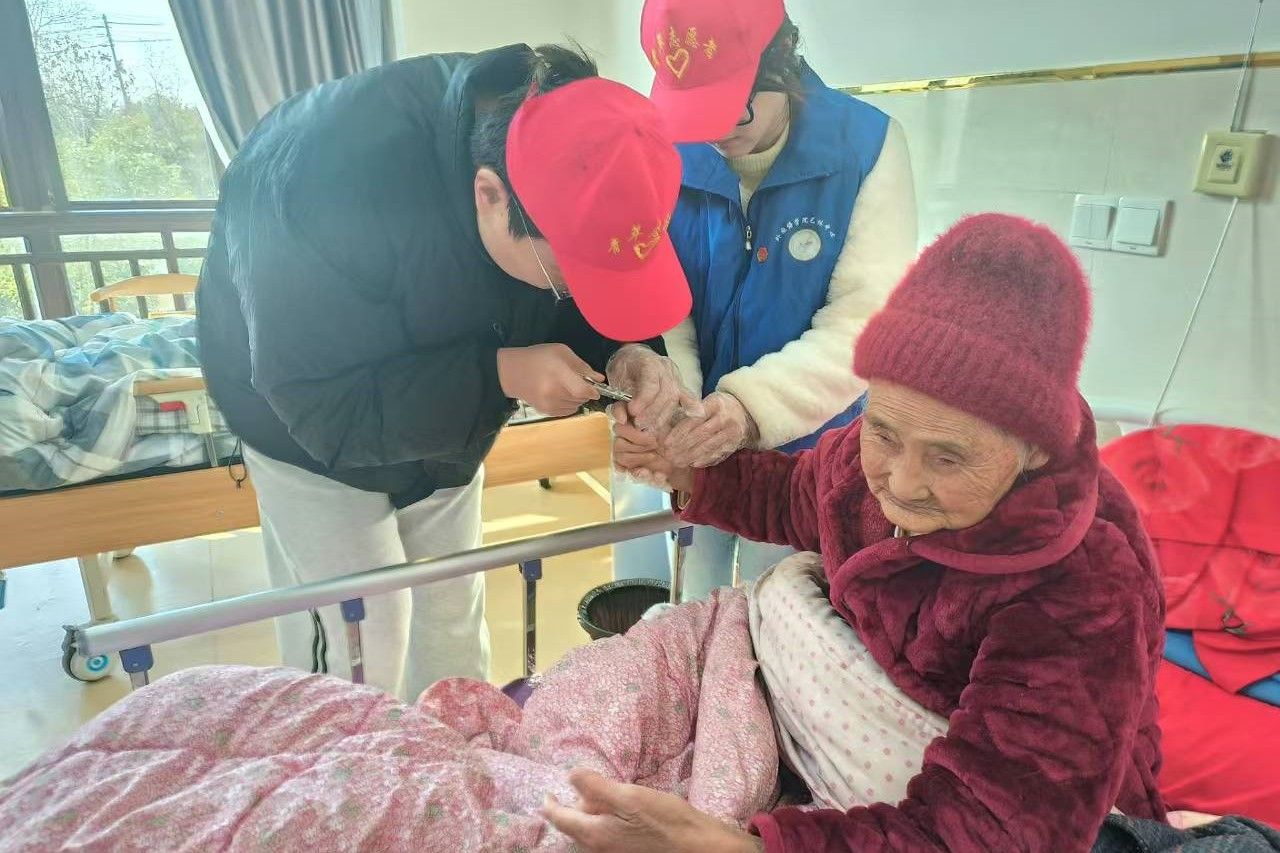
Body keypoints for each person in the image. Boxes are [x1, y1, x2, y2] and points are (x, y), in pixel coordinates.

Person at [571, 214, 1167, 851]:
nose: (901, 483)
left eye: (948, 458)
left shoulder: (1085, 584)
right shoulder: (869, 456)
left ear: (1035, 452)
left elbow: (995, 831)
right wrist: (690, 472)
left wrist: (745, 848)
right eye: (883, 432)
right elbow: (799, 498)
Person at [197, 45, 691, 702]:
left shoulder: (574, 133)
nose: (576, 297)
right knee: (361, 633)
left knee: (452, 607)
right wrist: (501, 375)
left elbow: (588, 277)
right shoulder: (320, 179)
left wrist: (627, 352)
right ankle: (348, 764)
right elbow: (326, 408)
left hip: (448, 406)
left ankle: (453, 751)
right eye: (567, 280)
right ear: (489, 194)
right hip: (304, 418)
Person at [611, 0, 918, 601]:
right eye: (697, 113)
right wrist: (670, 400)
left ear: (780, 63)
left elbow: (862, 323)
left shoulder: (866, 146)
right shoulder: (664, 146)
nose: (718, 133)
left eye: (734, 108)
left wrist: (750, 409)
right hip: (686, 431)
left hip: (804, 445)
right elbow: (657, 298)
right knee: (681, 603)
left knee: (783, 611)